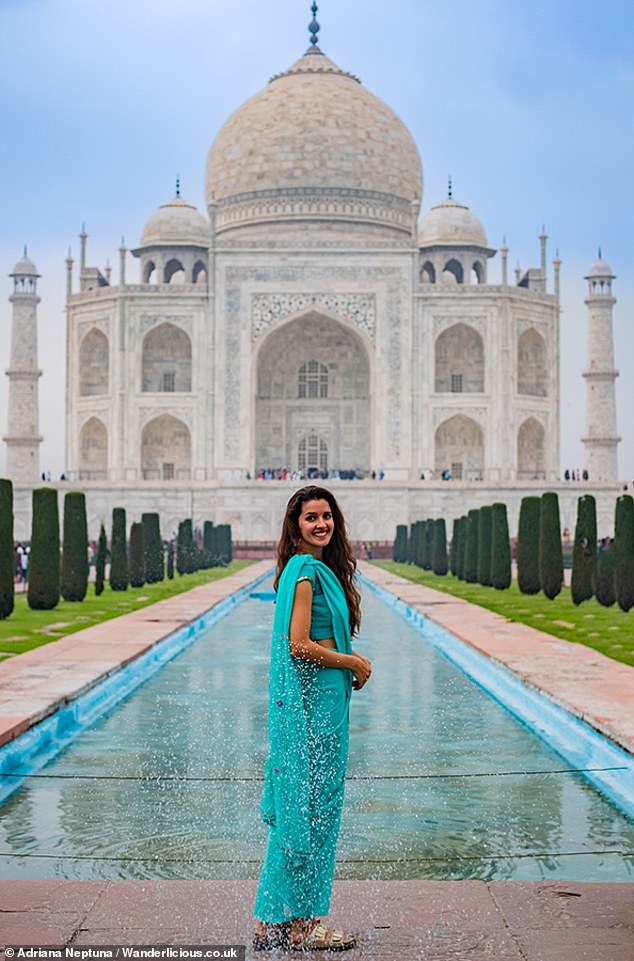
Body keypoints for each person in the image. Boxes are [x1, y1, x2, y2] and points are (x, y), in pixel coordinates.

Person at [253, 485, 372, 952]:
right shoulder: (304, 572)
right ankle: (305, 925)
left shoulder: (312, 570)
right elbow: (299, 645)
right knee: (314, 814)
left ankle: (272, 921)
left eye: (327, 516)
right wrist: (354, 663)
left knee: (297, 812)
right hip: (314, 710)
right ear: (295, 525)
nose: (321, 524)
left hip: (323, 702)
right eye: (311, 518)